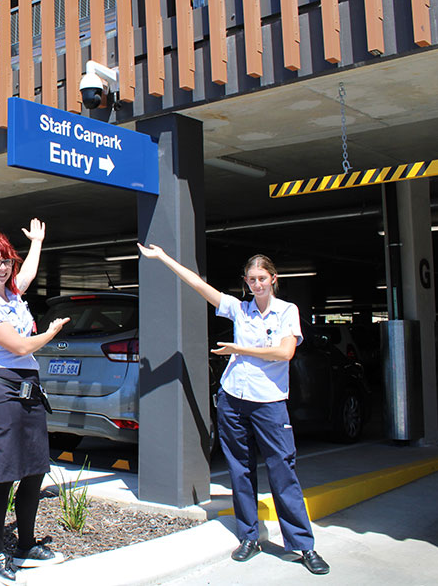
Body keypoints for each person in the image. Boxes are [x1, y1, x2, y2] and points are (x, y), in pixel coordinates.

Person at [137, 243, 331, 576]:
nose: (257, 284)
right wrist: (165, 257)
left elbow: (284, 353)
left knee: (282, 471)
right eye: (251, 279)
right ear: (246, 282)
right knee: (240, 471)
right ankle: (249, 538)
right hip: (233, 399)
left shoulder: (287, 311)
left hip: (269, 403)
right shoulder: (240, 310)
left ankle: (303, 545)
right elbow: (199, 286)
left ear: (273, 279)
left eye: (262, 278)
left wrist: (238, 349)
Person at [0, 219, 70, 583]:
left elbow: (26, 275)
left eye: (6, 261)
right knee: (5, 475)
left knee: (34, 470)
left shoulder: (11, 294)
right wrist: (51, 332)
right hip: (2, 393)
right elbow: (21, 346)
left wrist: (38, 242)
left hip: (28, 391)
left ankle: (26, 545)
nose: (2, 268)